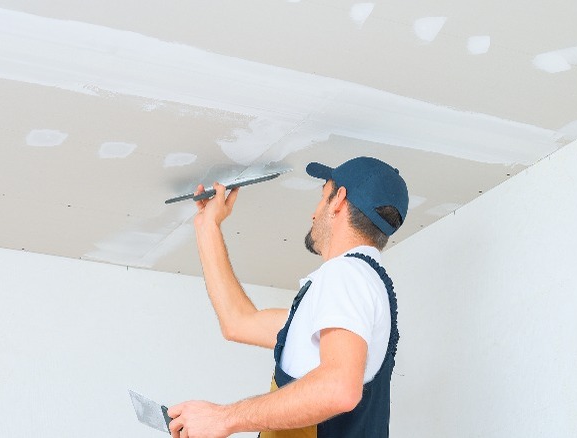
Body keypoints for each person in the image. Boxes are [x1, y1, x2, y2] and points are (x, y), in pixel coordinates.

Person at [168, 156, 409, 438]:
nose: (314, 213)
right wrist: (207, 225)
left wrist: (224, 419)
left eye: (322, 198)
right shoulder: (356, 288)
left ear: (339, 200)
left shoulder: (346, 274)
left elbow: (339, 389)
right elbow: (238, 322)